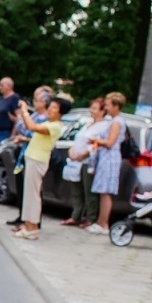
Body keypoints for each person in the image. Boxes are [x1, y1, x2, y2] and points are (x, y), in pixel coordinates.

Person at [10, 90, 69, 240]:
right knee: (29, 194)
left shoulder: (55, 126)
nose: (50, 109)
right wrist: (24, 139)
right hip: (33, 157)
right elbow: (37, 138)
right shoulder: (49, 123)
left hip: (38, 160)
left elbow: (32, 127)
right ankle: (28, 224)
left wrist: (24, 110)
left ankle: (33, 226)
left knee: (33, 195)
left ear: (60, 112)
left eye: (54, 108)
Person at [61, 97, 108, 228]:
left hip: (88, 161)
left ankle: (90, 217)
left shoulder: (103, 126)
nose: (91, 111)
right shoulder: (88, 124)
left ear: (102, 111)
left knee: (89, 191)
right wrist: (72, 149)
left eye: (94, 108)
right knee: (76, 190)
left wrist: (85, 153)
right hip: (76, 161)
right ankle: (75, 215)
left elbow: (97, 144)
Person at [86, 92, 126, 235]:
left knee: (105, 191)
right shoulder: (113, 121)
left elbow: (110, 142)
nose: (106, 108)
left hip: (110, 157)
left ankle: (103, 223)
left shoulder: (117, 122)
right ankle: (101, 222)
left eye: (108, 105)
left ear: (116, 106)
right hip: (106, 157)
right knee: (102, 190)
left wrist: (95, 141)